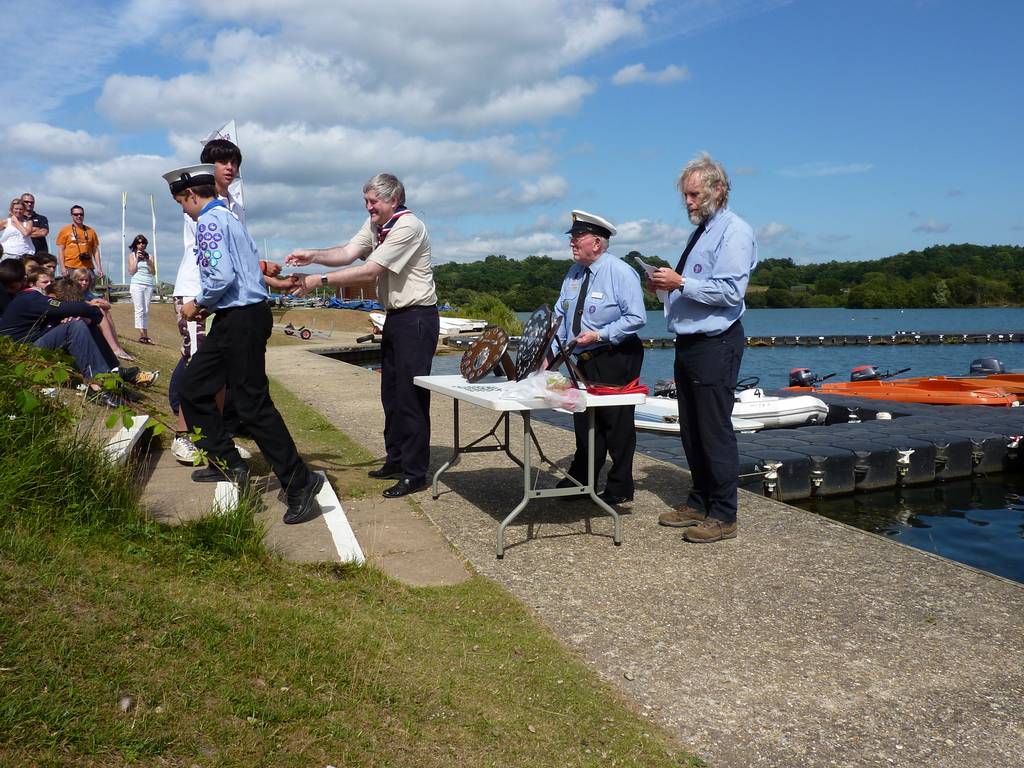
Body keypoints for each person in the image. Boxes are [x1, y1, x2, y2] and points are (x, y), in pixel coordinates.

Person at [162, 163, 323, 524]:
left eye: (181, 203)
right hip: (240, 317)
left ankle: (299, 482)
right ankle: (227, 463)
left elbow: (219, 276)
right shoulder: (232, 219)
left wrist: (197, 303)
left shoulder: (207, 221)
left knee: (252, 404)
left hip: (239, 318)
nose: (183, 211)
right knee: (194, 386)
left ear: (191, 195)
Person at [286, 172, 439, 498]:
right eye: (366, 201)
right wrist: (311, 256)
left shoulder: (408, 226)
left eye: (373, 202)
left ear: (393, 200)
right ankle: (396, 459)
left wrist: (318, 281)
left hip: (417, 318)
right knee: (391, 394)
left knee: (411, 397)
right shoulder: (377, 225)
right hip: (396, 317)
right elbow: (348, 251)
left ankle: (415, 472)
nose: (368, 207)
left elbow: (371, 270)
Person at [647, 153, 758, 543]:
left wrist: (680, 283)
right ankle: (699, 501)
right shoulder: (705, 230)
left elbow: (730, 292)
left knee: (714, 430)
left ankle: (724, 514)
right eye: (685, 196)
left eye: (694, 195)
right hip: (691, 342)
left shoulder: (734, 232)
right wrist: (665, 286)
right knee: (692, 430)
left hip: (716, 342)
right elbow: (692, 286)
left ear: (718, 190)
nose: (688, 203)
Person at [551, 210, 646, 505]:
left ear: (598, 242)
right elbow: (559, 317)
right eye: (572, 237)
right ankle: (582, 482)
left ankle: (619, 488)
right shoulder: (574, 273)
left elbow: (636, 317)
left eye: (578, 237)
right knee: (584, 420)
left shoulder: (619, 272)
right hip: (583, 359)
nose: (572, 243)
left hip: (615, 354)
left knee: (615, 425)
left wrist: (600, 334)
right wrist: (548, 358)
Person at [169, 138, 245, 465]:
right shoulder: (199, 203)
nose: (230, 168)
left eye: (234, 162)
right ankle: (185, 436)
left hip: (218, 295)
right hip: (197, 292)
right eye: (222, 162)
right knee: (198, 365)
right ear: (206, 169)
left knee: (217, 368)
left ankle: (215, 436)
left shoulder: (233, 205)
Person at [0, 260, 158, 407]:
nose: (49, 285)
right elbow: (69, 307)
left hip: (28, 347)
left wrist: (85, 316)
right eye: (45, 282)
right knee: (74, 326)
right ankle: (98, 387)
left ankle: (113, 378)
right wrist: (93, 312)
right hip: (23, 353)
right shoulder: (30, 298)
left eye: (51, 282)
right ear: (28, 280)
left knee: (81, 321)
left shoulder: (28, 298)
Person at [66, 267, 134, 361]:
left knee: (106, 312)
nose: (84, 283)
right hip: (78, 318)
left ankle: (117, 347)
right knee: (100, 311)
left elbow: (107, 305)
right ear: (74, 280)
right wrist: (93, 303)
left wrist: (96, 302)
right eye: (81, 280)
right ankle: (114, 348)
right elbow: (77, 304)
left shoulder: (87, 293)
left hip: (88, 316)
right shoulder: (71, 292)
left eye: (86, 280)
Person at [56, 205, 103, 278]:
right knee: (72, 289)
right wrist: (62, 268)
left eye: (81, 214)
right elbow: (60, 250)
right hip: (70, 267)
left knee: (89, 288)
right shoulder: (65, 230)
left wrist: (99, 267)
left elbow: (95, 250)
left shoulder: (91, 231)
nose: (79, 216)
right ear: (72, 215)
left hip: (88, 266)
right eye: (76, 214)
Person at [127, 234, 156, 344]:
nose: (141, 245)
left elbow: (153, 272)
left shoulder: (150, 256)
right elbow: (131, 271)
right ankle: (142, 334)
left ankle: (145, 333)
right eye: (139, 243)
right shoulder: (132, 256)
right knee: (139, 309)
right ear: (135, 244)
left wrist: (148, 260)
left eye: (143, 243)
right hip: (137, 284)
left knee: (146, 310)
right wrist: (137, 260)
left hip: (148, 284)